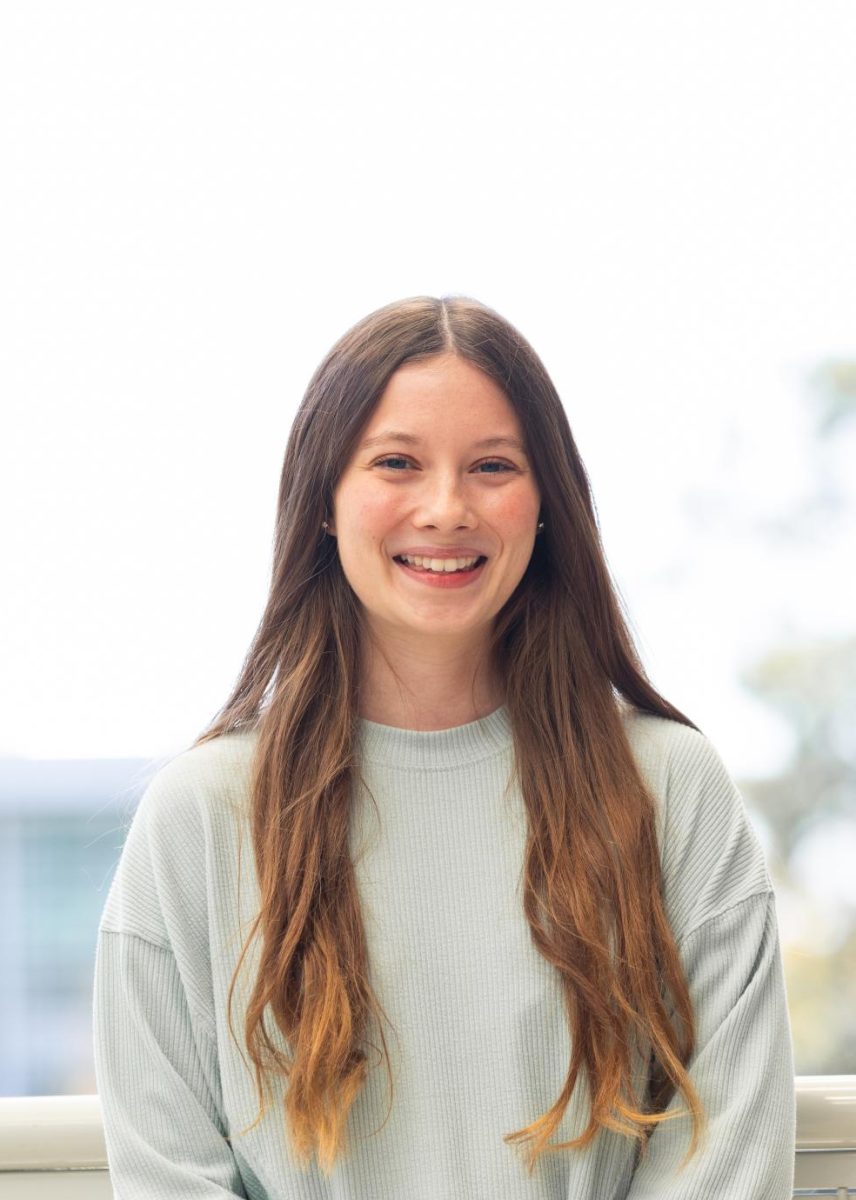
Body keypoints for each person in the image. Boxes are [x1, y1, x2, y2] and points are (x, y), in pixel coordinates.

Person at [92, 295, 796, 1199]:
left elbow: (726, 1157)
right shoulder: (197, 817)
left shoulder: (669, 790)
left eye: (493, 466)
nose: (445, 508)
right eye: (397, 463)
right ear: (322, 501)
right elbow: (167, 1173)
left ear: (546, 505)